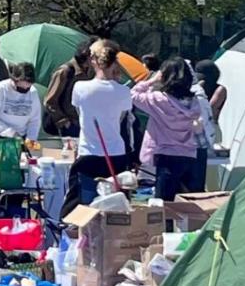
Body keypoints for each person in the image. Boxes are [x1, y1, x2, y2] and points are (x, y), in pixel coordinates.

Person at [64, 39, 134, 209]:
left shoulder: (80, 87)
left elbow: (81, 115)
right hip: (116, 152)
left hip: (89, 152)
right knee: (113, 207)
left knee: (79, 205)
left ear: (94, 60)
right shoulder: (124, 91)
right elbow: (120, 119)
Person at [132, 57, 201, 201]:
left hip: (165, 155)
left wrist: (151, 80)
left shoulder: (159, 100)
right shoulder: (194, 103)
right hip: (188, 155)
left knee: (163, 204)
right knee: (185, 204)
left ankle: (167, 225)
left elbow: (133, 95)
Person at [44, 39, 94, 137]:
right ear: (87, 55)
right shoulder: (65, 71)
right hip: (69, 125)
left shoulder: (91, 72)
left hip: (84, 123)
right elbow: (50, 101)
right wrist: (64, 122)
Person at [190, 60, 226, 192]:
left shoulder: (220, 89)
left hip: (212, 127)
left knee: (211, 167)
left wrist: (200, 93)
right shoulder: (195, 88)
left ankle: (213, 191)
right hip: (197, 127)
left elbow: (210, 108)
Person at [0, 62, 41, 141]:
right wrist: (11, 133)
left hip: (21, 136)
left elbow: (35, 120)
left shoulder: (33, 92)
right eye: (20, 89)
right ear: (13, 80)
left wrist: (31, 139)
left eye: (27, 89)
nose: (24, 90)